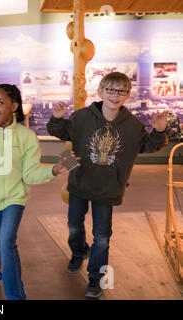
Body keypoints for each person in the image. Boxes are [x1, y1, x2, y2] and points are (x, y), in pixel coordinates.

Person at [46, 72, 168, 299]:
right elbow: (58, 130)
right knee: (74, 224)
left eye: (121, 91)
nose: (115, 94)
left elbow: (149, 145)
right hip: (79, 182)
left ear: (127, 96)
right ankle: (78, 251)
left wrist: (160, 131)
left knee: (102, 236)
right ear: (100, 91)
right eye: (110, 89)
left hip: (108, 189)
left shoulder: (132, 125)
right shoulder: (82, 117)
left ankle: (96, 277)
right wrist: (57, 117)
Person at [0, 84, 72, 300]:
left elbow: (30, 175)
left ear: (14, 107)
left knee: (5, 243)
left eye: (0, 102)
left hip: (14, 199)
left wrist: (53, 171)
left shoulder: (27, 137)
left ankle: (16, 296)